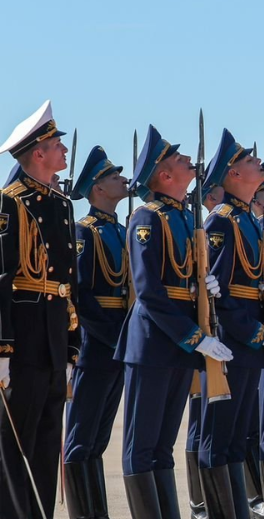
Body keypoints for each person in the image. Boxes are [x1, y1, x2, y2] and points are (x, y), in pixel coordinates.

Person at [119, 125, 234, 519]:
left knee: (163, 444)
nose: (190, 162)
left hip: (181, 344)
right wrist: (193, 336)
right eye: (181, 160)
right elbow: (149, 290)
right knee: (141, 444)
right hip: (154, 342)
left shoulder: (186, 218)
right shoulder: (146, 218)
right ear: (165, 176)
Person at [200, 129, 264, 518]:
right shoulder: (222, 221)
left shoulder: (252, 220)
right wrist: (259, 333)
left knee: (239, 436)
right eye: (249, 160)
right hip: (231, 339)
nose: (259, 163)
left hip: (252, 340)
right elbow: (219, 295)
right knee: (219, 434)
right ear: (233, 175)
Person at [0, 101, 77, 519]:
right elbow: (1, 279)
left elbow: (70, 287)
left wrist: (71, 346)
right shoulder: (9, 204)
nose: (64, 152)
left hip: (52, 337)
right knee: (15, 446)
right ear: (38, 153)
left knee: (48, 444)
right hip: (24, 339)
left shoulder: (63, 207)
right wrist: (2, 348)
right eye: (56, 144)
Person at [63, 146, 131, 519]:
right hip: (98, 344)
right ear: (96, 188)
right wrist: (115, 338)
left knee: (98, 440)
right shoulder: (83, 232)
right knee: (80, 439)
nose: (122, 180)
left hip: (119, 343)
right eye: (113, 176)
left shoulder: (121, 230)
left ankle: (97, 512)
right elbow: (81, 297)